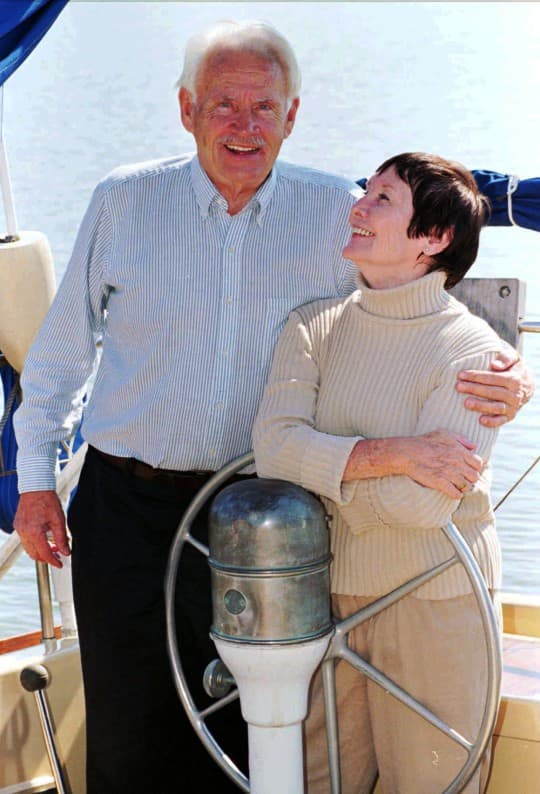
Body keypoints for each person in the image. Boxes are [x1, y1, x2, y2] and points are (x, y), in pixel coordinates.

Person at [13, 20, 532, 794]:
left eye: (265, 107)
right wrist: (33, 481)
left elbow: (421, 301)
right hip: (123, 506)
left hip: (272, 515)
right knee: (129, 732)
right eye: (224, 104)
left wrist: (508, 374)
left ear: (293, 116)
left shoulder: (338, 213)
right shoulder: (123, 201)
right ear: (187, 109)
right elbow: (58, 358)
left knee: (259, 734)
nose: (244, 125)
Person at [253, 152, 510, 793]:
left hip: (435, 603)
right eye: (365, 192)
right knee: (314, 782)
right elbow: (271, 452)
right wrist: (394, 455)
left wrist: (330, 481)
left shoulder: (480, 355)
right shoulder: (311, 326)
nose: (358, 207)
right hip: (321, 599)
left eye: (383, 199)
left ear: (434, 238)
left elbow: (421, 508)